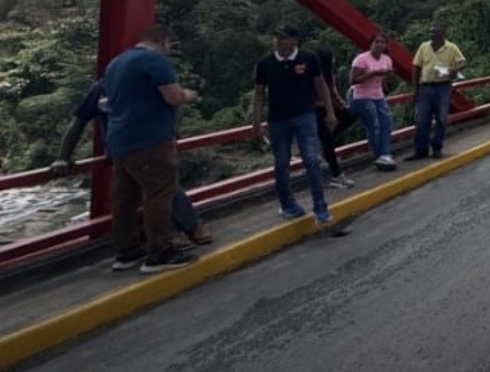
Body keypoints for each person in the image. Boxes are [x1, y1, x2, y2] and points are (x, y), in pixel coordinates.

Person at [50, 79, 212, 251]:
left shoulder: (123, 84)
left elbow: (79, 120)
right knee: (159, 188)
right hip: (142, 146)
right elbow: (79, 120)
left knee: (134, 195)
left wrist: (63, 157)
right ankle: (179, 234)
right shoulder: (109, 86)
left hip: (125, 148)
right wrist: (62, 156)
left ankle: (131, 247)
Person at [103, 24, 198, 273]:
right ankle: (159, 253)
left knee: (125, 198)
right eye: (169, 45)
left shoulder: (116, 63)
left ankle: (126, 252)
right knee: (158, 194)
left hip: (120, 141)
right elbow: (173, 97)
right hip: (150, 140)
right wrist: (188, 94)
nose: (169, 50)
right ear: (162, 40)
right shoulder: (154, 60)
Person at [252, 25, 334, 224]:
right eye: (276, 38)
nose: (278, 42)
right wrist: (256, 121)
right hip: (277, 119)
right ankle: (288, 204)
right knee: (281, 163)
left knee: (312, 160)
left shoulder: (308, 58)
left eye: (282, 38)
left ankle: (320, 206)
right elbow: (259, 93)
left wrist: (330, 111)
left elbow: (320, 84)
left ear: (294, 40)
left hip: (304, 115)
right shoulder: (265, 63)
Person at [409, 26, 466, 160]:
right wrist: (415, 88)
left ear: (442, 35)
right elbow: (416, 67)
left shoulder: (451, 47)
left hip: (443, 86)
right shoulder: (424, 46)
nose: (432, 35)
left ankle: (437, 148)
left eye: (436, 33)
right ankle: (421, 149)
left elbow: (463, 62)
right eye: (431, 32)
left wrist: (454, 70)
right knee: (422, 119)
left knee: (441, 118)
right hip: (426, 85)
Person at [349, 32, 397, 172]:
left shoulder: (387, 59)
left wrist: (388, 76)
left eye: (382, 42)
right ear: (371, 44)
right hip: (362, 96)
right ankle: (380, 155)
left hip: (378, 95)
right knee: (374, 126)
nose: (379, 45)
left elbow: (385, 81)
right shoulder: (361, 59)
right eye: (376, 42)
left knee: (387, 124)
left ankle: (385, 155)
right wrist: (373, 73)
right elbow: (353, 80)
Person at [314, 48, 358, 189]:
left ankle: (327, 139)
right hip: (315, 109)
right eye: (331, 58)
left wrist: (339, 102)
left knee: (350, 116)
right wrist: (328, 105)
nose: (334, 60)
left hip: (329, 107)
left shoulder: (328, 74)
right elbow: (309, 99)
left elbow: (332, 89)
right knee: (327, 140)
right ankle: (336, 175)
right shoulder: (312, 75)